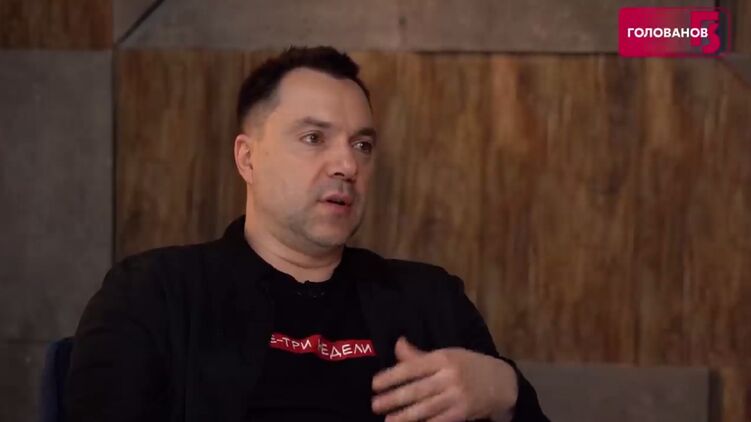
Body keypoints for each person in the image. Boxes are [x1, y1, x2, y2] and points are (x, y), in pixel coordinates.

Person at [65, 46, 548, 422]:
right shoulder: (153, 293)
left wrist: (505, 390)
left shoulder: (431, 301)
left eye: (362, 145)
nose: (347, 165)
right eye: (314, 138)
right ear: (247, 158)